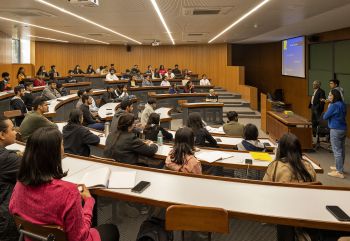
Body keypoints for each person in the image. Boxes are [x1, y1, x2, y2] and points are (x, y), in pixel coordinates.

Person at [9, 127, 120, 241]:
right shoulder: (69, 192)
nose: (63, 148)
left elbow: (13, 209)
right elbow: (80, 237)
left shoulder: (19, 185)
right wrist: (89, 202)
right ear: (54, 152)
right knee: (111, 230)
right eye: (62, 144)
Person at [0, 116, 21, 241]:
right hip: (5, 219)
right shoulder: (6, 159)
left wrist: (14, 153)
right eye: (12, 129)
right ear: (2, 134)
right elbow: (35, 169)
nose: (16, 132)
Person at [323, 89, 347, 179]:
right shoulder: (343, 104)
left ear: (334, 96)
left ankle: (339, 172)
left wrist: (329, 107)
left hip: (335, 129)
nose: (328, 97)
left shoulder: (333, 105)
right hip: (343, 129)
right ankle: (339, 167)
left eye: (330, 95)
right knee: (341, 149)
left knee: (337, 150)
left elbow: (325, 116)